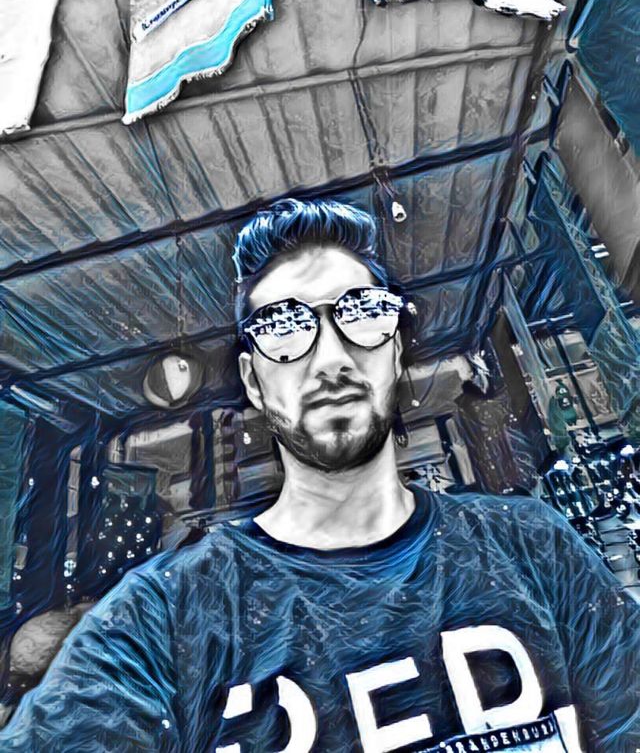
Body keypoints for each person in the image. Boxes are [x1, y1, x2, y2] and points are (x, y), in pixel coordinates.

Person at [1, 198, 639, 752]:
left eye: (363, 315)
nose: (331, 358)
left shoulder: (533, 545)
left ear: (395, 348)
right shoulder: (168, 618)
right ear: (253, 381)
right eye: (284, 330)